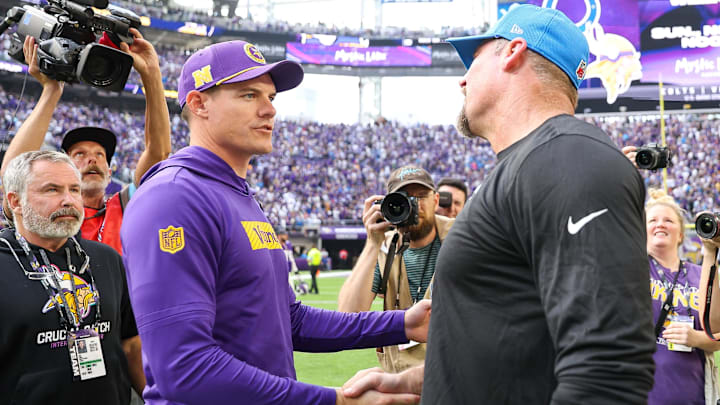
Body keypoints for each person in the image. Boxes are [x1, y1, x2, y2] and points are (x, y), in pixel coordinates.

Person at [343, 5, 655, 404]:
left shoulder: (570, 158)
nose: (462, 80)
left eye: (473, 60)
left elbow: (608, 368)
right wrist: (423, 379)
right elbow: (520, 347)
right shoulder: (533, 164)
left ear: (512, 52)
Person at [120, 40, 429, 405]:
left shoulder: (237, 193)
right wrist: (336, 401)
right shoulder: (173, 197)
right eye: (249, 95)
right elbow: (185, 368)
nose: (269, 110)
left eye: (271, 97)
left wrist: (405, 323)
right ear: (199, 103)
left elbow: (289, 320)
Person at [0, 29, 172, 255]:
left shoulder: (124, 206)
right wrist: (51, 92)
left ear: (110, 173)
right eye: (79, 155)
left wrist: (151, 74)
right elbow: (13, 173)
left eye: (100, 155)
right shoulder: (46, 209)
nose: (92, 159)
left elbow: (158, 154)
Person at [0, 151, 142, 404]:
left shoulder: (107, 259)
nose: (68, 200)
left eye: (74, 190)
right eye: (52, 190)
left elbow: (131, 344)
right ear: (15, 201)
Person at [338, 165, 453, 373]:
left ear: (436, 200)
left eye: (420, 196)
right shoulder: (384, 248)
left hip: (449, 375)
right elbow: (348, 317)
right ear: (388, 205)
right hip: (401, 380)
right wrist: (372, 243)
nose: (414, 205)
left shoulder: (459, 238)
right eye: (405, 198)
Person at [642, 188, 720, 405]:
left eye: (668, 220)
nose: (660, 224)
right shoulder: (633, 267)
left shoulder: (699, 273)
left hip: (694, 396)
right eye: (652, 220)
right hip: (643, 394)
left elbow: (716, 332)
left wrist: (710, 253)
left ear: (681, 234)